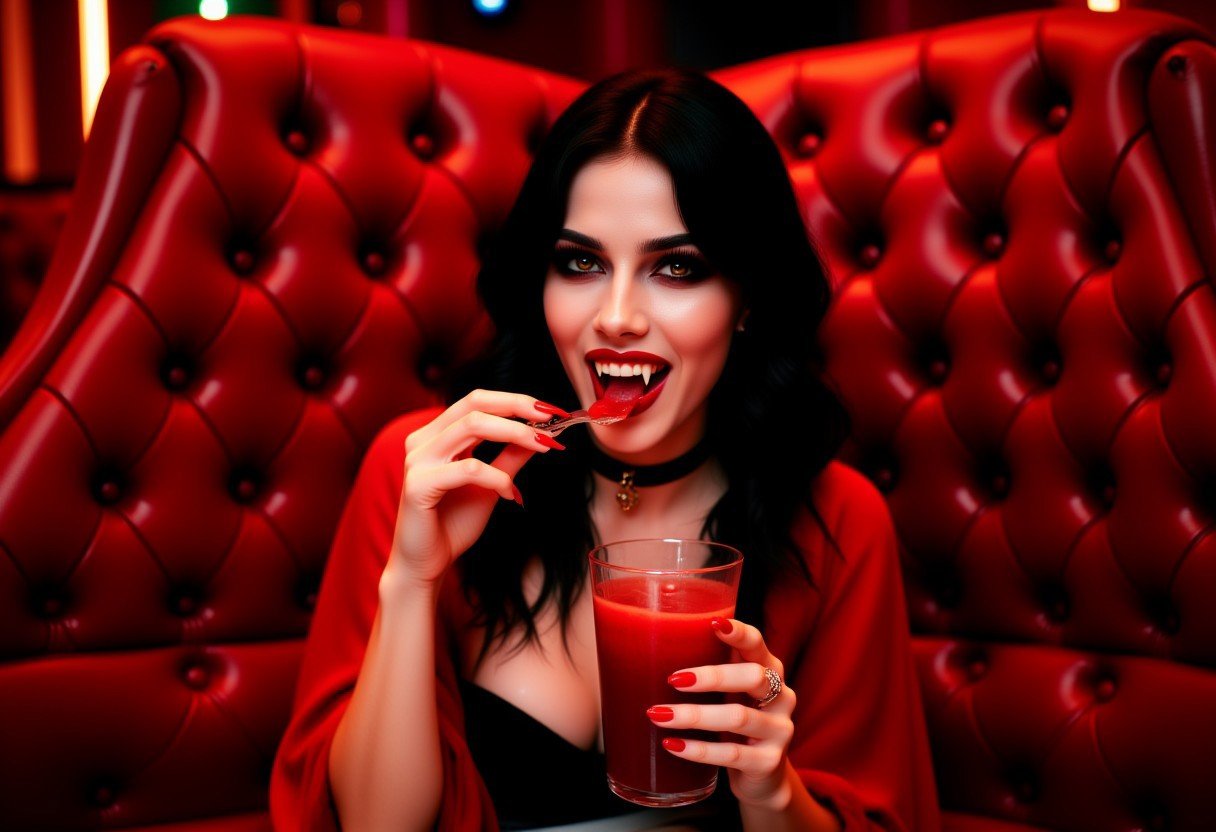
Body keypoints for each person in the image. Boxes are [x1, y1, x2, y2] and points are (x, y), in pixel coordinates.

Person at [270, 67, 941, 832]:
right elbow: (374, 825)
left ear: (747, 297)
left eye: (677, 267)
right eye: (580, 262)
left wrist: (774, 793)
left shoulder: (839, 522)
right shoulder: (428, 473)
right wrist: (412, 581)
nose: (616, 317)